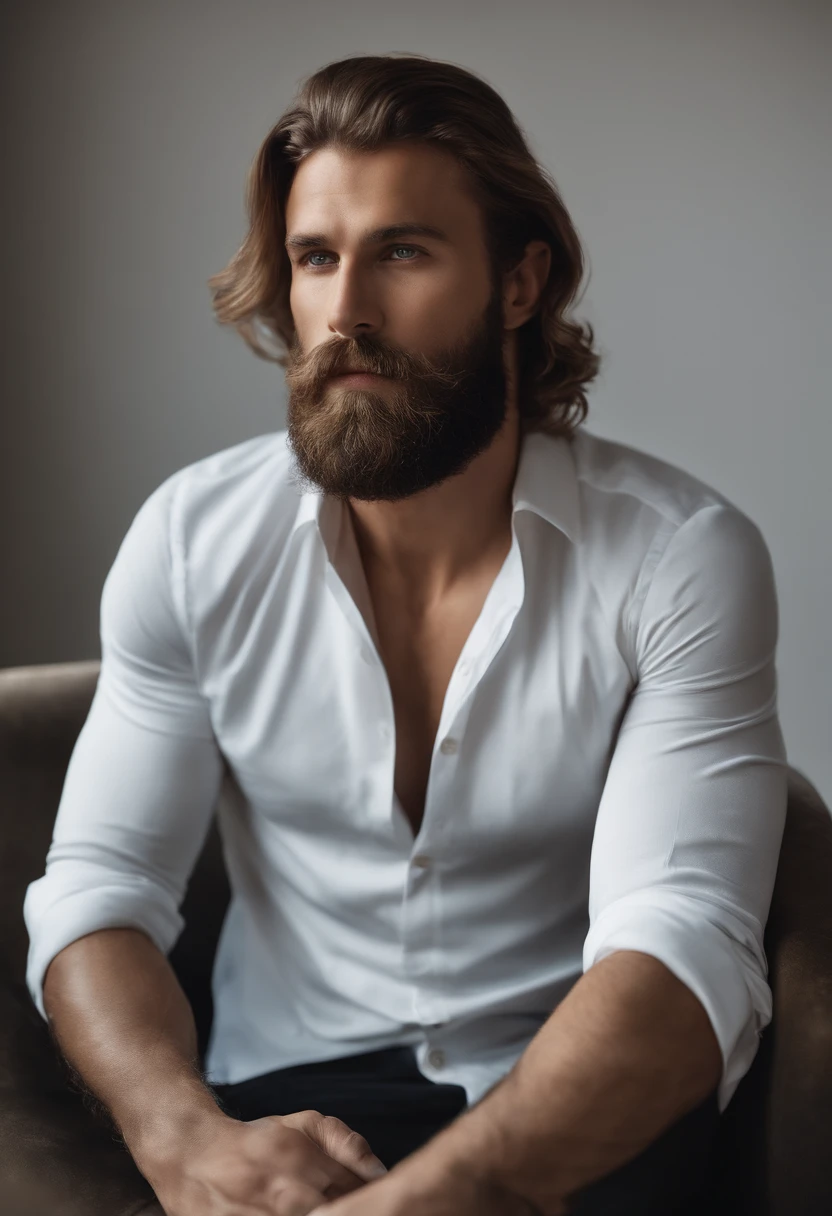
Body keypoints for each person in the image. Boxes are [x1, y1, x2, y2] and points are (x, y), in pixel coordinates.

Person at [23, 51, 788, 1216]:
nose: (346, 313)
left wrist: (436, 1196)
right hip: (284, 1091)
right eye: (317, 258)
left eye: (404, 252)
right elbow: (100, 887)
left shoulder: (677, 558)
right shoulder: (191, 542)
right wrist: (181, 1134)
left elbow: (679, 951)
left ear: (519, 284)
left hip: (568, 1104)